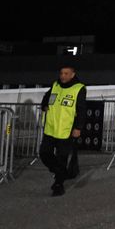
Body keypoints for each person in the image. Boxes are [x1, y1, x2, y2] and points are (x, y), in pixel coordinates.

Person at [40, 63, 86, 197]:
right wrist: (44, 106)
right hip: (50, 128)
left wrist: (78, 128)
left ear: (72, 74)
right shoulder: (55, 85)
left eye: (66, 73)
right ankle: (62, 173)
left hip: (66, 130)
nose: (63, 76)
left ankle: (59, 185)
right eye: (61, 73)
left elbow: (81, 110)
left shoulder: (79, 88)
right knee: (44, 154)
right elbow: (45, 98)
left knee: (62, 158)